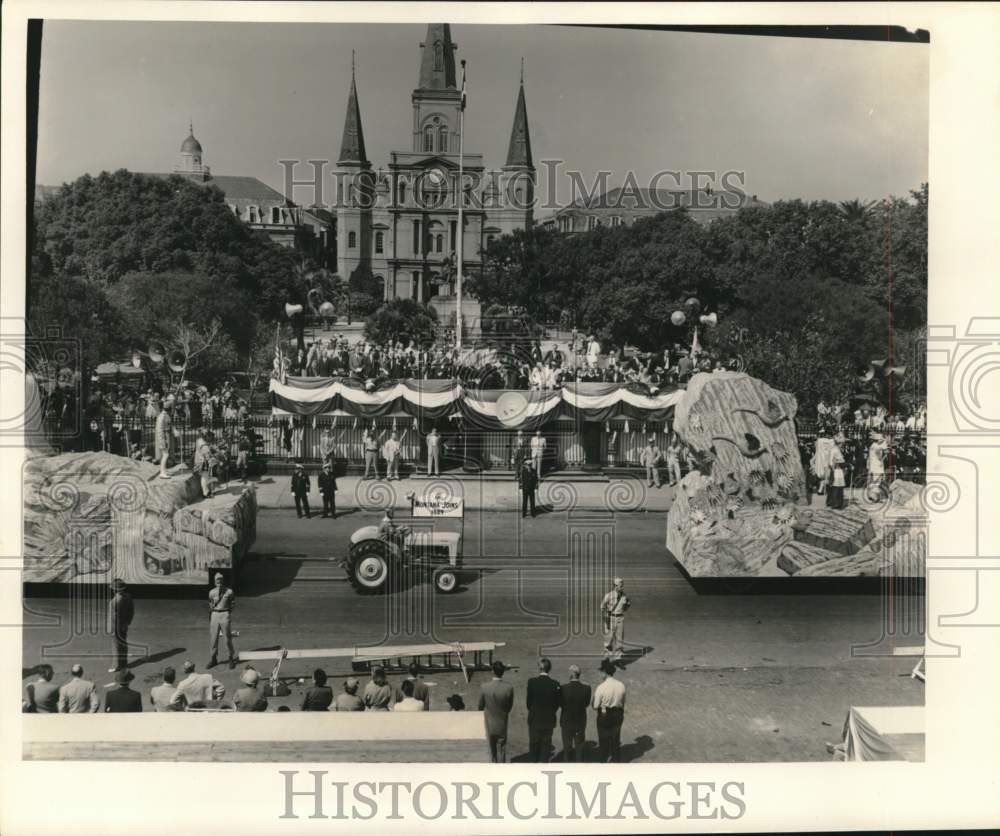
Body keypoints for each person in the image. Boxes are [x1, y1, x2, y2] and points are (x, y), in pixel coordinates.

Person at [478, 660, 515, 763]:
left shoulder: (484, 687)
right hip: (502, 721)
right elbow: (509, 706)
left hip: (489, 722)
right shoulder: (508, 688)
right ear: (502, 672)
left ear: (492, 671)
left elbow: (480, 706)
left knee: (491, 750)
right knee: (502, 748)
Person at [526, 657, 562, 763]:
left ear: (540, 669)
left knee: (533, 746)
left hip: (535, 719)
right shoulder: (555, 684)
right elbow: (557, 703)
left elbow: (528, 703)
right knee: (545, 747)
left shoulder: (532, 682)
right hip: (548, 720)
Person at [592, 659, 627, 763]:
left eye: (601, 672)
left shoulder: (601, 687)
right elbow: (623, 702)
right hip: (618, 714)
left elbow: (595, 705)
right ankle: (616, 762)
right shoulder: (621, 685)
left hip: (604, 715)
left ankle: (604, 762)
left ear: (604, 672)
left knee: (603, 741)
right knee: (615, 740)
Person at [559, 664, 592, 762]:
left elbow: (561, 704)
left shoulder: (563, 688)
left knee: (567, 747)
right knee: (579, 748)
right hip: (580, 722)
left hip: (566, 721)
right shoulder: (586, 688)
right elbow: (586, 704)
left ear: (572, 674)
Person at [208, 572, 237, 670]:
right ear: (214, 581)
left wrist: (228, 613)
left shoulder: (229, 592)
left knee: (227, 637)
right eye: (217, 580)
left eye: (220, 580)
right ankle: (213, 659)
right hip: (215, 614)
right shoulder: (211, 592)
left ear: (223, 581)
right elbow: (211, 603)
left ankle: (230, 658)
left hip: (224, 614)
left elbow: (233, 603)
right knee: (213, 638)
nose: (219, 582)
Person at [601, 577, 631, 662]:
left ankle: (618, 659)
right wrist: (606, 617)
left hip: (620, 618)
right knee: (608, 639)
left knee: (620, 639)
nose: (622, 587)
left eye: (622, 585)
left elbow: (627, 606)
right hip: (610, 618)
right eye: (620, 586)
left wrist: (626, 606)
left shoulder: (624, 596)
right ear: (615, 586)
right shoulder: (608, 595)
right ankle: (606, 659)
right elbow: (602, 606)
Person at [107, 578, 134, 673]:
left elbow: (114, 617)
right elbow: (131, 611)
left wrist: (113, 629)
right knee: (123, 643)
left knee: (116, 646)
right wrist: (127, 623)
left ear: (115, 589)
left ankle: (116, 665)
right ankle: (124, 662)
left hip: (116, 627)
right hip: (124, 625)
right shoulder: (128, 597)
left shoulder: (114, 601)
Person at [155, 395, 174, 478]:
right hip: (163, 438)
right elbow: (159, 430)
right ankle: (162, 472)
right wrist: (163, 441)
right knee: (165, 455)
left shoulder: (165, 415)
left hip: (166, 436)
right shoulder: (162, 416)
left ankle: (164, 470)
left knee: (165, 454)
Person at [827, 433, 847, 510]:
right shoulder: (835, 450)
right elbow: (831, 462)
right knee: (836, 486)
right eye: (842, 443)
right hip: (836, 470)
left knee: (837, 486)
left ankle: (834, 502)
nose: (843, 445)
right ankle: (835, 503)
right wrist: (835, 465)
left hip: (838, 470)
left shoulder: (836, 449)